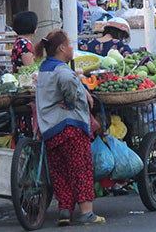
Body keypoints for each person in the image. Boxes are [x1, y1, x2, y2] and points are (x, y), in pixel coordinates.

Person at [35, 29, 104, 226]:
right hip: (69, 127)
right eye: (70, 45)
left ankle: (65, 211)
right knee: (80, 168)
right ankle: (86, 213)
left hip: (50, 129)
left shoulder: (45, 68)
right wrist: (72, 101)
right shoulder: (62, 70)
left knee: (60, 171)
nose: (72, 48)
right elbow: (66, 81)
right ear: (62, 48)